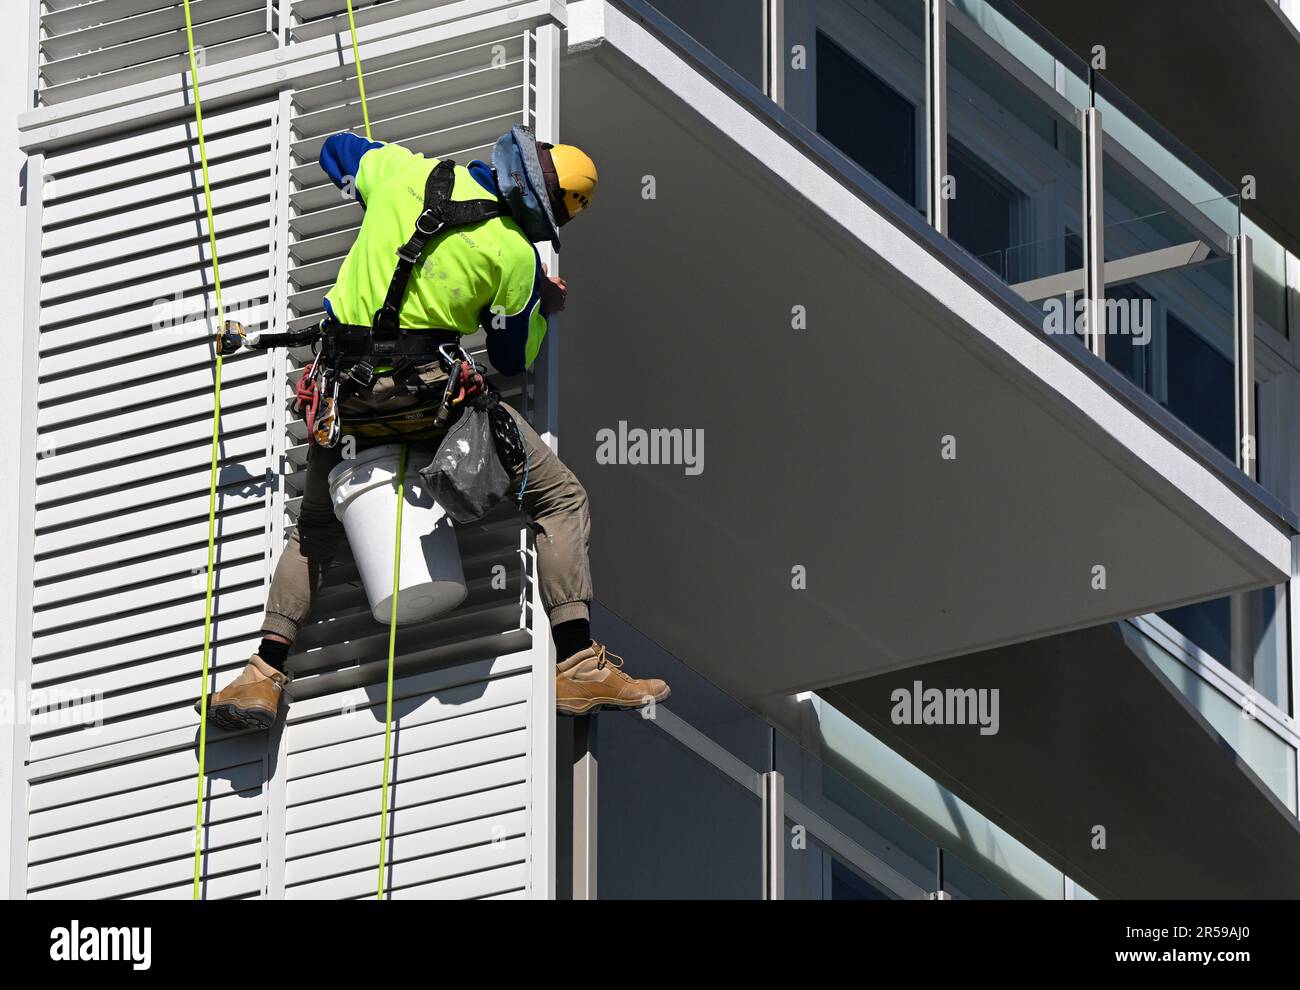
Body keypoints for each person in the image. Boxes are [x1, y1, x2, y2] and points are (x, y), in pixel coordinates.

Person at [195, 128, 669, 730]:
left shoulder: (401, 172)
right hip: (428, 401)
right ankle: (577, 663)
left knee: (315, 529)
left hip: (343, 397)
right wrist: (541, 306)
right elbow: (512, 357)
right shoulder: (514, 255)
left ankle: (261, 677)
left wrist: (372, 201)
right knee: (560, 497)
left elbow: (335, 150)